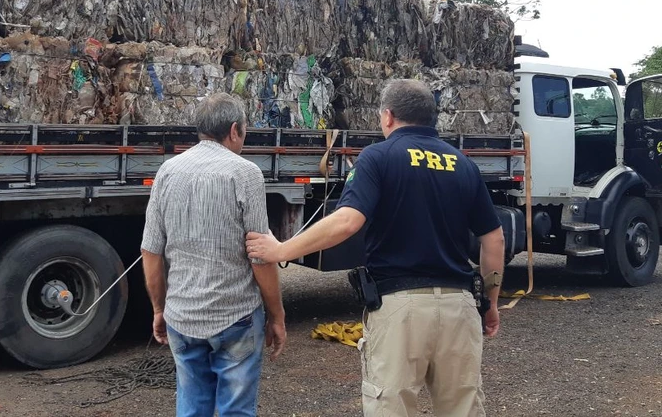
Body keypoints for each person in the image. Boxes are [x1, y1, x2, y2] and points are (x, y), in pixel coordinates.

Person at [246, 79, 505, 417]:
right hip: (460, 307)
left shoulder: (378, 158)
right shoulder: (463, 164)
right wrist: (490, 302)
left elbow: (347, 221)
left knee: (391, 406)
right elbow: (494, 238)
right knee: (463, 407)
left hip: (401, 309)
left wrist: (281, 250)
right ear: (430, 118)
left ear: (388, 116)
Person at [141, 92, 287, 417]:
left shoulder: (167, 171)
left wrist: (159, 309)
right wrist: (276, 316)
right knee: (236, 410)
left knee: (192, 406)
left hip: (182, 316)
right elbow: (260, 255)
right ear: (235, 130)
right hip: (236, 316)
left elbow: (150, 252)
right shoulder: (245, 173)